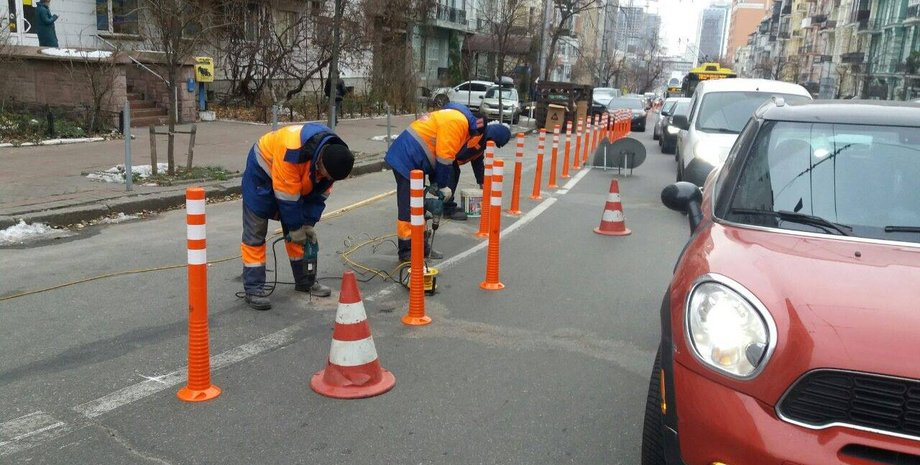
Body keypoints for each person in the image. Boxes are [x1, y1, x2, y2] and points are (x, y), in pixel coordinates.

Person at [240, 123, 355, 311]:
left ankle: (305, 281)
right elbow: (287, 196)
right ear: (321, 161)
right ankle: (253, 288)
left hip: (292, 180)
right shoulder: (293, 151)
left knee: (301, 233)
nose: (326, 177)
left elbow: (318, 197)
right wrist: (295, 227)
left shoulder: (335, 159)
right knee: (256, 233)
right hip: (262, 174)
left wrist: (308, 224)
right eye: (326, 173)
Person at [384, 102, 486, 262]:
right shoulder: (458, 122)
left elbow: (438, 152)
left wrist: (435, 184)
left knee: (419, 206)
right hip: (406, 158)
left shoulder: (455, 117)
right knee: (409, 207)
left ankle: (422, 247)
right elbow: (445, 158)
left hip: (415, 158)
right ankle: (406, 251)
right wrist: (443, 185)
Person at [443, 123, 512, 220]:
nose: (493, 145)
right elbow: (460, 154)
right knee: (453, 171)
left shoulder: (482, 140)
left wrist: (482, 181)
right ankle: (447, 208)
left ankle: (443, 205)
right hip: (444, 154)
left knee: (454, 170)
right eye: (495, 142)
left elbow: (477, 162)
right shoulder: (477, 137)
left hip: (446, 155)